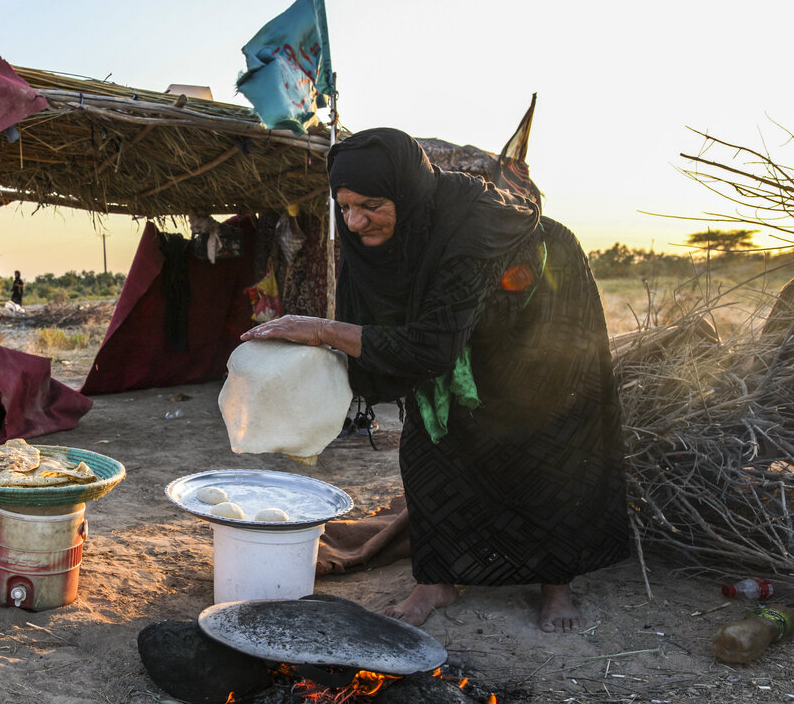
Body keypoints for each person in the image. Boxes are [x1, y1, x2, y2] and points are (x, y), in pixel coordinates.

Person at [242, 128, 628, 632]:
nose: (356, 222)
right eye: (346, 207)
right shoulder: (389, 230)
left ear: (407, 192)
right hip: (457, 328)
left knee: (544, 443)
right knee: (430, 443)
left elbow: (429, 347)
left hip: (541, 318)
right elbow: (404, 336)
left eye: (372, 206)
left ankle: (556, 585)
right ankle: (437, 579)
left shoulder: (472, 232)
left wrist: (320, 330)